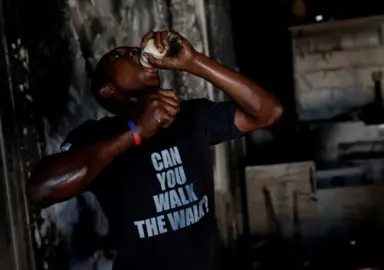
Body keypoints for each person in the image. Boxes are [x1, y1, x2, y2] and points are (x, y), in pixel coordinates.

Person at [26, 30, 283, 270]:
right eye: (120, 55)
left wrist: (193, 61)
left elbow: (269, 112)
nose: (134, 53)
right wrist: (136, 132)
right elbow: (40, 190)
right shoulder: (96, 137)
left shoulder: (190, 117)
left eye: (132, 49)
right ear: (108, 90)